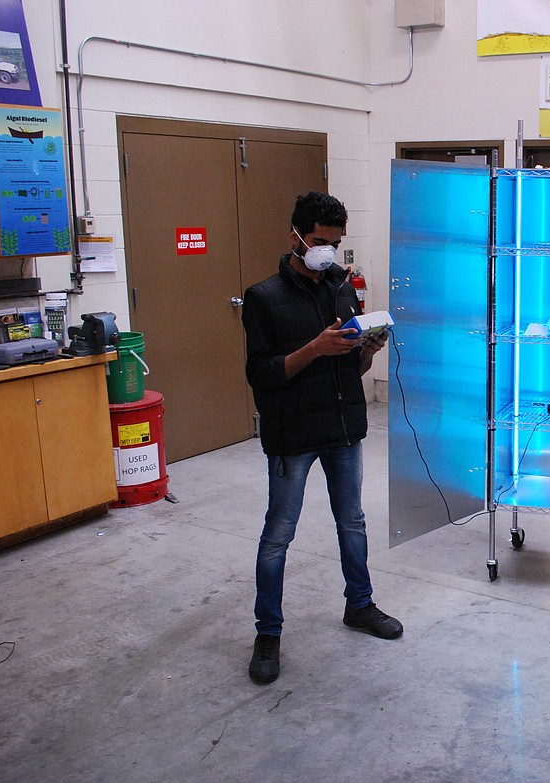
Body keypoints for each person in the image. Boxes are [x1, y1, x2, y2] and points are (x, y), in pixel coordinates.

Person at [241, 191, 400, 685]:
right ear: (295, 236)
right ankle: (268, 633)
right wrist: (314, 347)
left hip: (342, 426)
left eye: (334, 242)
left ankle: (361, 605)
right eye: (318, 241)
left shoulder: (341, 287)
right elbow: (262, 375)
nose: (326, 251)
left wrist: (367, 349)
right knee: (278, 535)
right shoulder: (264, 298)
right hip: (292, 433)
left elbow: (351, 365)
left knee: (352, 521)